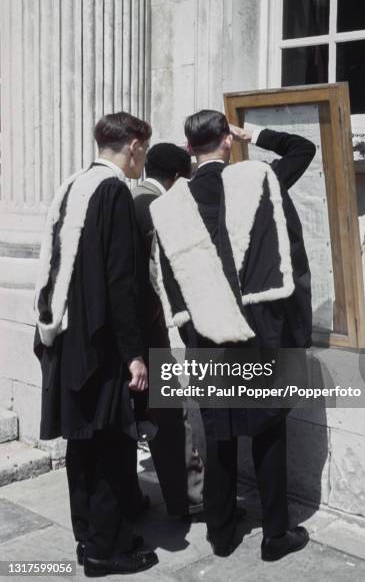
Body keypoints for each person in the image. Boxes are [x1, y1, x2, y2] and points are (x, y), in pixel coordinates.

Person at [150, 110, 316, 561]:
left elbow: (169, 281)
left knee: (219, 433)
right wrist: (254, 133)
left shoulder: (168, 206)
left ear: (188, 149)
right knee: (268, 432)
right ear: (226, 140)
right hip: (261, 332)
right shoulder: (258, 179)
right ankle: (275, 536)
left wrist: (191, 336)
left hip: (206, 335)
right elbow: (304, 150)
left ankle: (221, 535)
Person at [34, 112, 158, 577]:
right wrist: (134, 354)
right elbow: (123, 281)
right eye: (143, 147)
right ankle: (107, 552)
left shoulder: (73, 185)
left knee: (82, 444)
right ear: (132, 145)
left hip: (68, 337)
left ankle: (89, 537)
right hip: (102, 342)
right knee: (110, 445)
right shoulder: (114, 193)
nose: (143, 157)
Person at [132, 143, 204, 519]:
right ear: (177, 179)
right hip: (149, 328)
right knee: (170, 414)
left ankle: (131, 496)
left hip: (126, 331)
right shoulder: (156, 208)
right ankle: (188, 499)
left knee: (133, 416)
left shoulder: (131, 196)